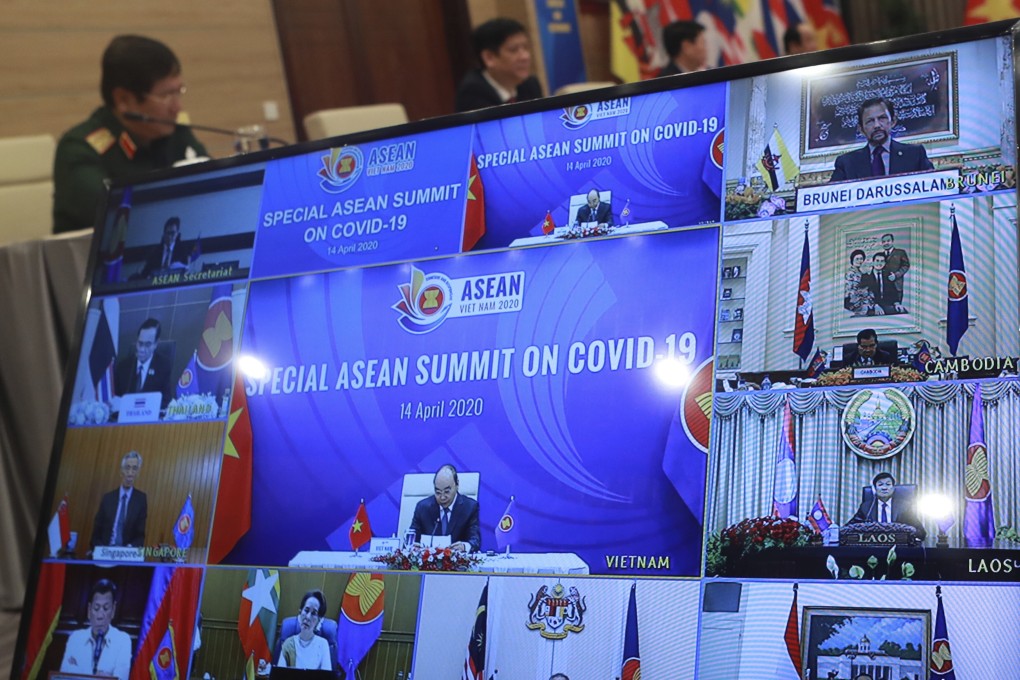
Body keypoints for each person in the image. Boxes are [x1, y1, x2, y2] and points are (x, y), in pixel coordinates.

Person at [53, 35, 207, 234]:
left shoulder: (175, 132)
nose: (177, 107)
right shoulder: (80, 149)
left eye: (179, 91)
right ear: (124, 100)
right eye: (165, 96)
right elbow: (119, 221)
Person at [829, 97, 934, 182]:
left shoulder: (915, 154)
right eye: (870, 121)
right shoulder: (847, 163)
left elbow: (934, 185)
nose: (877, 125)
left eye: (882, 118)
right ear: (860, 129)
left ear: (893, 121)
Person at [455, 18, 543, 112]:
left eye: (525, 48)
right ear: (489, 57)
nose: (525, 57)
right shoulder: (473, 93)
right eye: (513, 50)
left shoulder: (530, 84)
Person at [60, 579, 132, 680]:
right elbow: (63, 677)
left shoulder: (123, 641)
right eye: (96, 608)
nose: (100, 616)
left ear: (113, 610)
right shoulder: (75, 638)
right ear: (89, 610)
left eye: (106, 608)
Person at [410, 464, 481, 552]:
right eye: (438, 492)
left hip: (457, 564)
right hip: (428, 563)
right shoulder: (422, 508)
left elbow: (475, 541)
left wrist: (464, 546)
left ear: (457, 484)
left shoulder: (470, 507)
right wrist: (414, 547)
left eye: (447, 492)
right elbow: (412, 538)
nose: (442, 497)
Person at [91, 451, 148, 550]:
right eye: (127, 468)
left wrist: (128, 549)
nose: (130, 473)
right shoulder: (107, 498)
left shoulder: (141, 500)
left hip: (126, 554)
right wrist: (101, 550)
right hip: (105, 551)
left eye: (134, 469)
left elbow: (140, 536)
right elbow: (96, 534)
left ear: (138, 473)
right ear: (121, 471)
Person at [113, 318, 173, 407]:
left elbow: (166, 400)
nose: (141, 349)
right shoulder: (123, 367)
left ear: (156, 344)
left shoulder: (163, 366)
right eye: (140, 343)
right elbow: (115, 398)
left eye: (148, 344)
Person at [848, 472, 926, 540]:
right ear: (875, 489)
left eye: (888, 484)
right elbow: (849, 528)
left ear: (893, 488)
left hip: (898, 547)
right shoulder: (866, 507)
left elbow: (920, 532)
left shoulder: (904, 507)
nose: (884, 488)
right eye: (880, 484)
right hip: (872, 546)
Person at [277, 591, 332, 671]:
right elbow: (279, 676)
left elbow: (327, 677)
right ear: (300, 612)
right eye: (306, 610)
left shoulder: (323, 645)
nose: (308, 617)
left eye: (314, 613)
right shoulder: (288, 644)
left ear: (318, 620)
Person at [843, 249, 875, 316]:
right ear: (852, 260)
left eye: (861, 259)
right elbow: (849, 291)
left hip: (863, 299)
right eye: (857, 259)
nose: (859, 261)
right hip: (853, 301)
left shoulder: (861, 272)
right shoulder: (850, 273)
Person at [879, 233, 910, 302]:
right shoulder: (880, 255)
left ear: (892, 241)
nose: (886, 243)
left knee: (897, 307)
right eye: (883, 242)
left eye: (888, 241)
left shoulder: (900, 252)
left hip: (897, 285)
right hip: (883, 287)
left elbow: (906, 265)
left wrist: (896, 275)